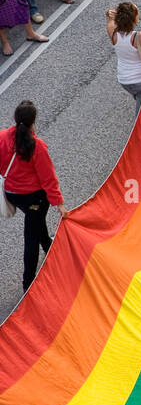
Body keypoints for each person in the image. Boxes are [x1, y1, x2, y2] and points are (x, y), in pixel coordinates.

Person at [0, 100, 67, 291]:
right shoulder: (37, 146)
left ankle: (47, 245)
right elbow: (48, 179)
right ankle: (28, 283)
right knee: (31, 237)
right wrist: (59, 204)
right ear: (33, 122)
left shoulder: (2, 138)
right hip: (34, 198)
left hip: (13, 194)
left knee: (35, 220)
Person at [105, 2, 141, 113]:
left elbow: (109, 17)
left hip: (124, 80)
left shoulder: (112, 32)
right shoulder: (138, 36)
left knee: (139, 97)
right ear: (134, 19)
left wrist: (108, 12)